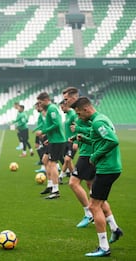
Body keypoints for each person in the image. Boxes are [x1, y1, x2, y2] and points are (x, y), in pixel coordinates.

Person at [72, 96, 123, 257]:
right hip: (110, 167)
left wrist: (94, 156)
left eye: (80, 114)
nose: (79, 118)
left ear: (87, 109)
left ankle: (104, 247)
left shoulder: (97, 122)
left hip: (107, 168)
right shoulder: (102, 118)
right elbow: (100, 140)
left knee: (94, 206)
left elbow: (113, 141)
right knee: (98, 202)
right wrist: (84, 139)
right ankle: (115, 229)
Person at [62, 87, 94, 228]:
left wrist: (76, 140)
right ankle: (108, 219)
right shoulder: (76, 113)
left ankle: (89, 213)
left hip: (88, 153)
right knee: (91, 186)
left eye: (66, 99)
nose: (65, 101)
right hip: (87, 152)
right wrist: (75, 139)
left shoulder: (83, 113)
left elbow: (95, 130)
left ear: (74, 98)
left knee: (73, 183)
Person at [35, 92, 66, 199]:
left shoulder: (52, 109)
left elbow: (57, 123)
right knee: (45, 160)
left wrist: (44, 131)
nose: (39, 104)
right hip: (53, 140)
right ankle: (50, 186)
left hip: (57, 141)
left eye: (40, 102)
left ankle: (55, 190)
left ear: (45, 100)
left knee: (52, 164)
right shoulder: (50, 109)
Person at [58, 100, 77, 183]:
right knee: (67, 160)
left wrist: (76, 141)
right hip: (66, 140)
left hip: (72, 141)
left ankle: (61, 176)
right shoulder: (67, 115)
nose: (62, 110)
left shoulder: (73, 115)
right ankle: (74, 176)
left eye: (62, 107)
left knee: (67, 159)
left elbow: (77, 127)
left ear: (66, 105)